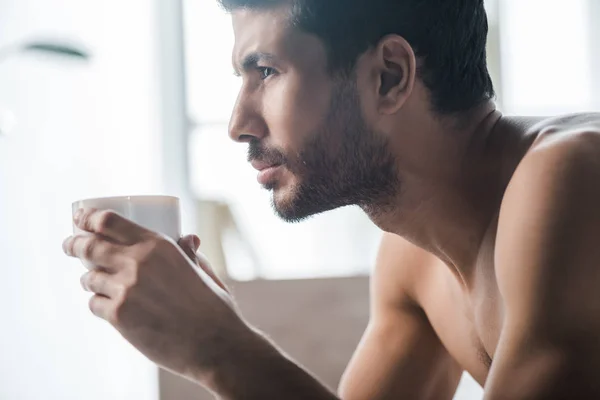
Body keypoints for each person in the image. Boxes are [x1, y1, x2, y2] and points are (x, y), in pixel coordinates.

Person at [62, 0, 600, 398]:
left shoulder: (572, 178)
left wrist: (218, 349)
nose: (237, 124)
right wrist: (202, 331)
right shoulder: (411, 258)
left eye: (266, 72)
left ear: (389, 75)